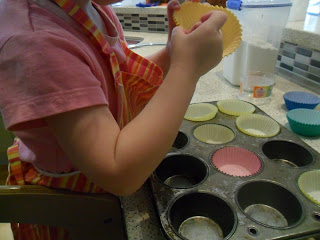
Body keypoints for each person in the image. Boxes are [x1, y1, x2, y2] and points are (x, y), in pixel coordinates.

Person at [0, 0, 227, 238]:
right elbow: (118, 172)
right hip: (78, 213)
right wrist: (186, 69)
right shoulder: (39, 43)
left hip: (107, 196)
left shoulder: (92, 5)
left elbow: (118, 81)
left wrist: (173, 54)